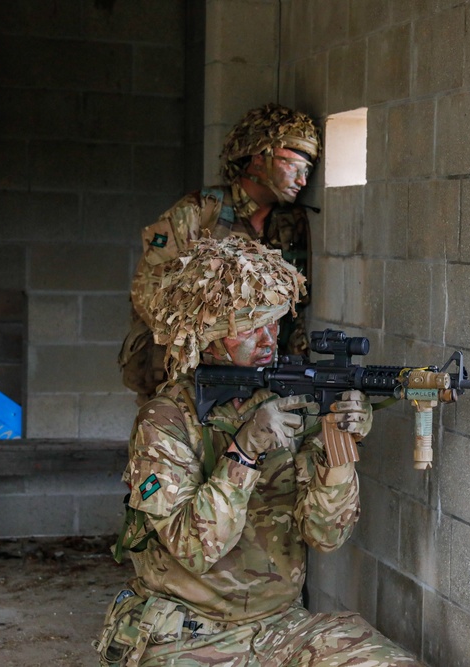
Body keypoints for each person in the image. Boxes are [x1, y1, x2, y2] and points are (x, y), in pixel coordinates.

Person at [96, 236, 421, 666]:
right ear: (208, 335)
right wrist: (245, 449)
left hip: (277, 628)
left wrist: (337, 448)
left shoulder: (291, 402)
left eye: (275, 322)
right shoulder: (167, 419)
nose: (269, 339)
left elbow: (326, 536)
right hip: (186, 633)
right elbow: (197, 550)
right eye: (250, 327)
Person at [119, 102, 320, 404]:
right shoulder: (201, 211)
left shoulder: (291, 224)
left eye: (308, 171)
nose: (303, 180)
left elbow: (296, 309)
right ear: (257, 158)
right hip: (185, 367)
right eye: (294, 166)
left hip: (258, 370)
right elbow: (149, 294)